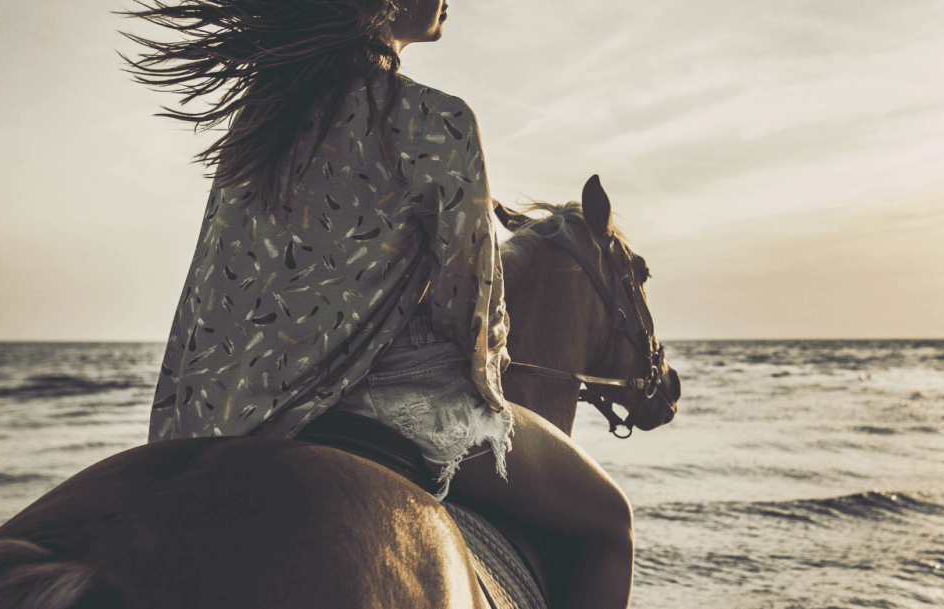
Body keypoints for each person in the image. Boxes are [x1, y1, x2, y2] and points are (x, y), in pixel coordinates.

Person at [124, 0, 633, 607]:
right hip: (394, 411)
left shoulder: (260, 125)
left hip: (241, 420)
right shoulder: (438, 121)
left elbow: (219, 288)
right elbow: (470, 318)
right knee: (610, 525)